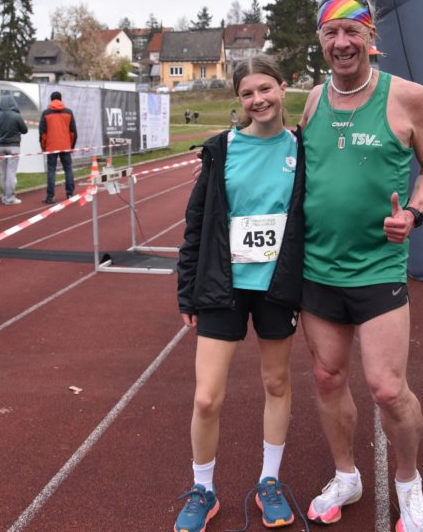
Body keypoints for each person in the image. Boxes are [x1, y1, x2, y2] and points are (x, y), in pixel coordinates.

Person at [298, 0, 423, 531]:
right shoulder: (313, 100)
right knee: (326, 377)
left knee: (386, 387)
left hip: (379, 266)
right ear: (321, 39)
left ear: (370, 36)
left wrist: (415, 213)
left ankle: (408, 482)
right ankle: (347, 475)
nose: (342, 42)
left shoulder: (408, 97)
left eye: (351, 31)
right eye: (331, 32)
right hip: (318, 268)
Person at [175, 55, 305, 532]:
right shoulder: (220, 150)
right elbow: (196, 224)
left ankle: (269, 481)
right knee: (207, 398)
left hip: (277, 287)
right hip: (222, 286)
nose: (258, 100)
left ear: (283, 87)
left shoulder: (304, 149)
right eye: (248, 93)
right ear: (239, 99)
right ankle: (202, 489)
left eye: (265, 89)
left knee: (277, 384)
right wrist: (186, 292)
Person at [39, 91, 78, 203]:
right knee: (68, 169)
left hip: (51, 146)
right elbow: (73, 132)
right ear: (61, 100)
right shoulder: (68, 112)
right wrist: (71, 146)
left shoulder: (46, 113)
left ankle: (50, 196)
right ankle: (70, 194)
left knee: (51, 171)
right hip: (65, 146)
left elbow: (42, 133)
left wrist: (44, 147)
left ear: (51, 100)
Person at [0, 94, 27, 206]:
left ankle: (4, 196)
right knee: (11, 173)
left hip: (1, 146)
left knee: (3, 173)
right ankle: (10, 198)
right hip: (13, 146)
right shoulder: (16, 116)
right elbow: (24, 130)